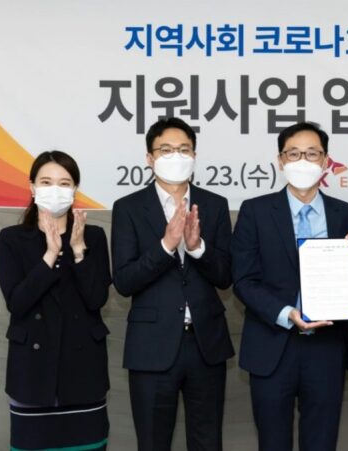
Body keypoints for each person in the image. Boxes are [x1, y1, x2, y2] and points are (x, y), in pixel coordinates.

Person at [231, 122, 348, 451]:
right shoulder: (255, 211)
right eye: (294, 154)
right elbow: (244, 280)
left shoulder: (345, 214)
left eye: (312, 154)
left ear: (325, 160)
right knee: (272, 442)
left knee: (322, 442)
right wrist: (287, 313)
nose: (303, 161)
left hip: (327, 348)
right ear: (280, 160)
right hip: (272, 344)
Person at [111, 117, 234, 451]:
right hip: (151, 347)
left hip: (205, 344)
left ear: (194, 155)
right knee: (152, 442)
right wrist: (166, 247)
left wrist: (198, 248)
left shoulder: (215, 205)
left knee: (208, 442)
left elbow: (226, 276)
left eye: (184, 149)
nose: (176, 156)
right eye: (166, 150)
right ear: (149, 158)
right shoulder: (128, 208)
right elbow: (124, 281)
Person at [0, 150, 111, 450]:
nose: (55, 190)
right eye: (46, 182)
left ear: (74, 190)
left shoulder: (94, 236)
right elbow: (17, 302)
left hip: (83, 371)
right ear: (32, 187)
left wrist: (78, 250)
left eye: (64, 183)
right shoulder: (11, 238)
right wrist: (50, 254)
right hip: (32, 371)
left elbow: (96, 298)